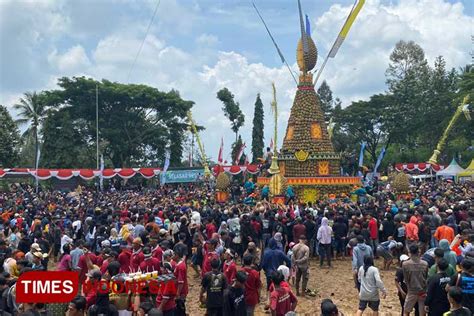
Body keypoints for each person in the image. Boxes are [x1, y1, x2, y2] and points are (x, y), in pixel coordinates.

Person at [402, 244, 428, 316]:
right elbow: (426, 277)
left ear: (410, 252)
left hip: (412, 290)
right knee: (422, 313)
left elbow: (406, 279)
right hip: (422, 290)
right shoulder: (425, 264)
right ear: (418, 252)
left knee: (406, 311)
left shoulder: (405, 264)